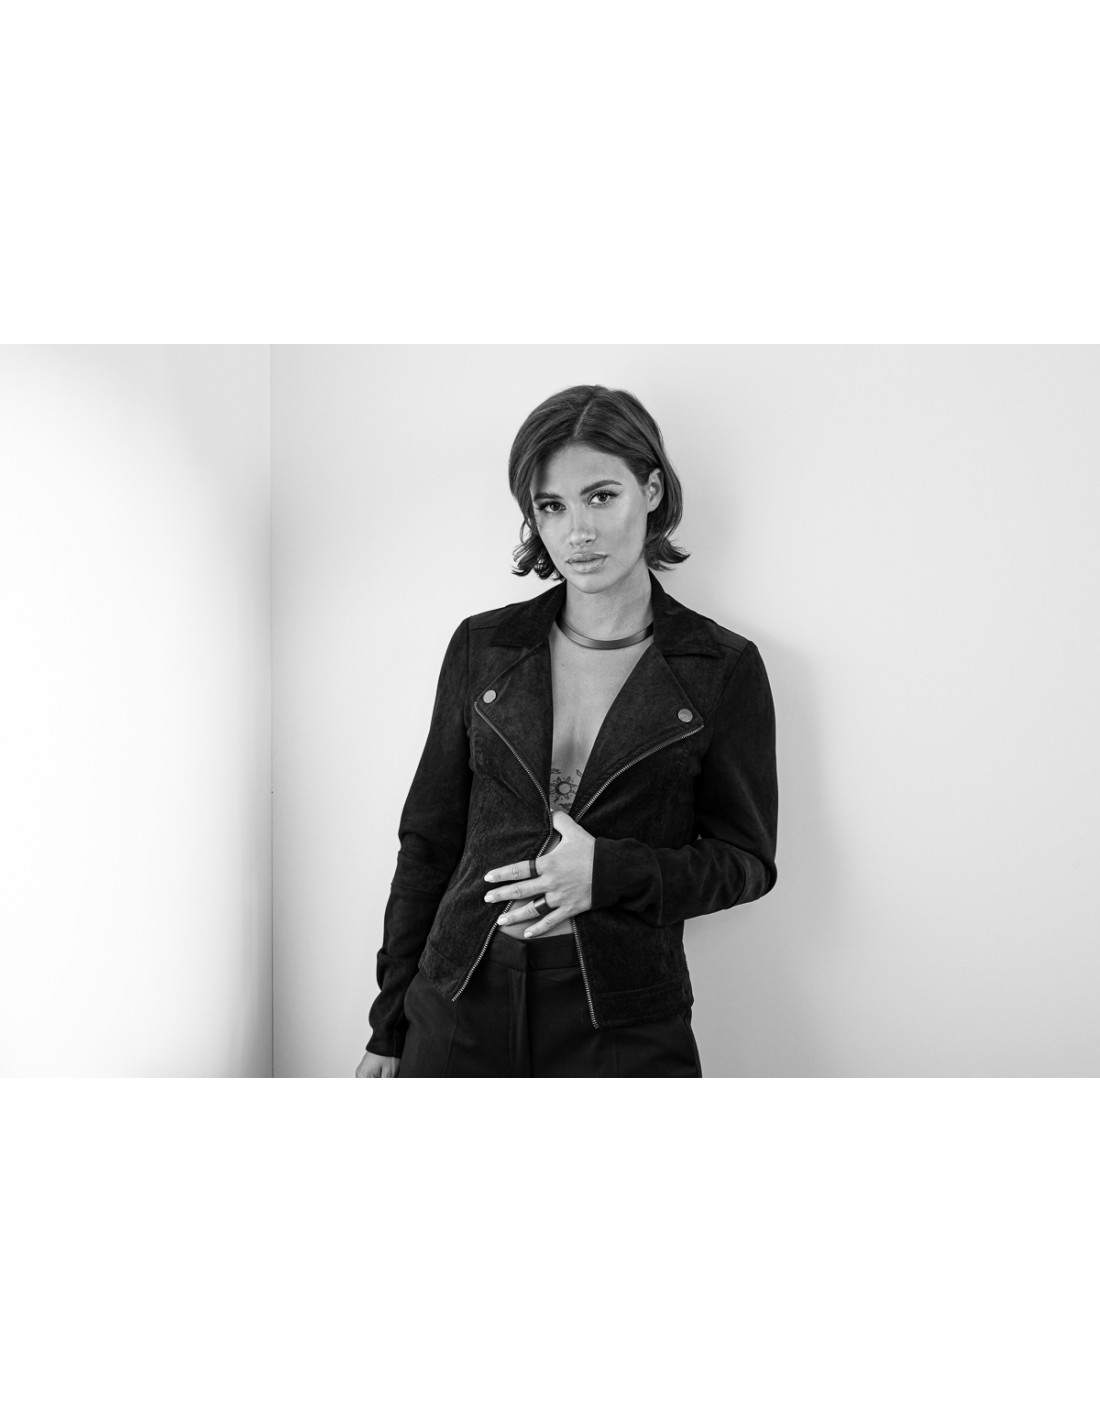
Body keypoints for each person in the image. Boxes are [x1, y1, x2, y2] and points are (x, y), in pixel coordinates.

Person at [355, 384, 778, 1077]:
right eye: (551, 506)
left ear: (651, 491)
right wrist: (389, 1024)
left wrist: (609, 873)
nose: (577, 531)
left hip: (622, 1013)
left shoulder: (719, 668)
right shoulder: (485, 648)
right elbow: (428, 842)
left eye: (601, 496)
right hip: (460, 994)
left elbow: (746, 862)